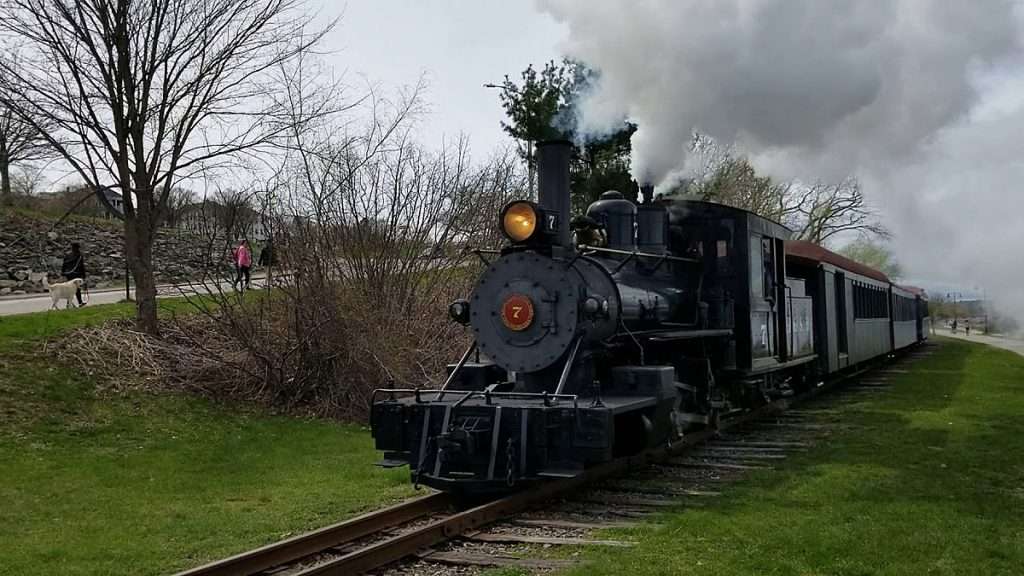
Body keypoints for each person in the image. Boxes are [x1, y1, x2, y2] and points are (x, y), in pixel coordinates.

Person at [61, 242, 87, 306]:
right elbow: (81, 266)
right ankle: (80, 302)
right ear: (77, 248)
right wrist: (83, 275)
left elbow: (64, 264)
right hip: (76, 274)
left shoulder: (68, 255)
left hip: (68, 274)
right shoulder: (79, 255)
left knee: (69, 288)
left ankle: (68, 303)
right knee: (77, 289)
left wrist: (63, 273)